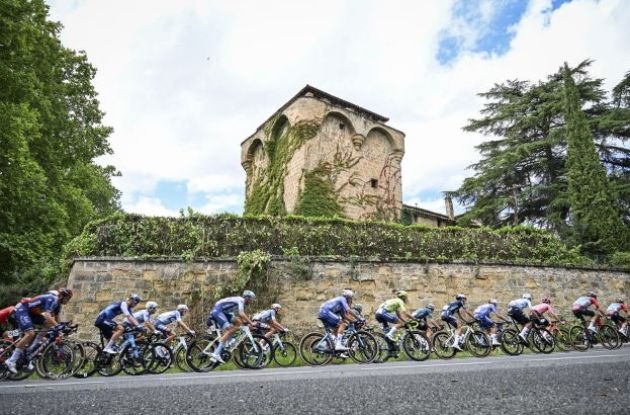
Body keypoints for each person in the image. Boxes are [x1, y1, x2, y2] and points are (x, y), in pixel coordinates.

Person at [3, 289, 73, 374]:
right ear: (61, 296)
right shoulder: (52, 299)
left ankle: (28, 351)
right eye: (67, 298)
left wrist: (61, 328)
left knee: (37, 330)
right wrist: (57, 326)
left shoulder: (58, 304)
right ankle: (11, 360)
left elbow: (56, 318)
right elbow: (47, 315)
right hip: (20, 312)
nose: (67, 301)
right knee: (29, 333)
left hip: (28, 313)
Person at [207, 290, 256, 363]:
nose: (252, 301)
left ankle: (228, 341)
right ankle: (216, 353)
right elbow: (241, 314)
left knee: (238, 322)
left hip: (224, 312)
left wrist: (247, 324)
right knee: (229, 329)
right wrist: (251, 323)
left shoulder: (242, 303)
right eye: (251, 299)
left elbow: (239, 317)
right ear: (247, 298)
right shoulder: (241, 300)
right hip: (218, 311)